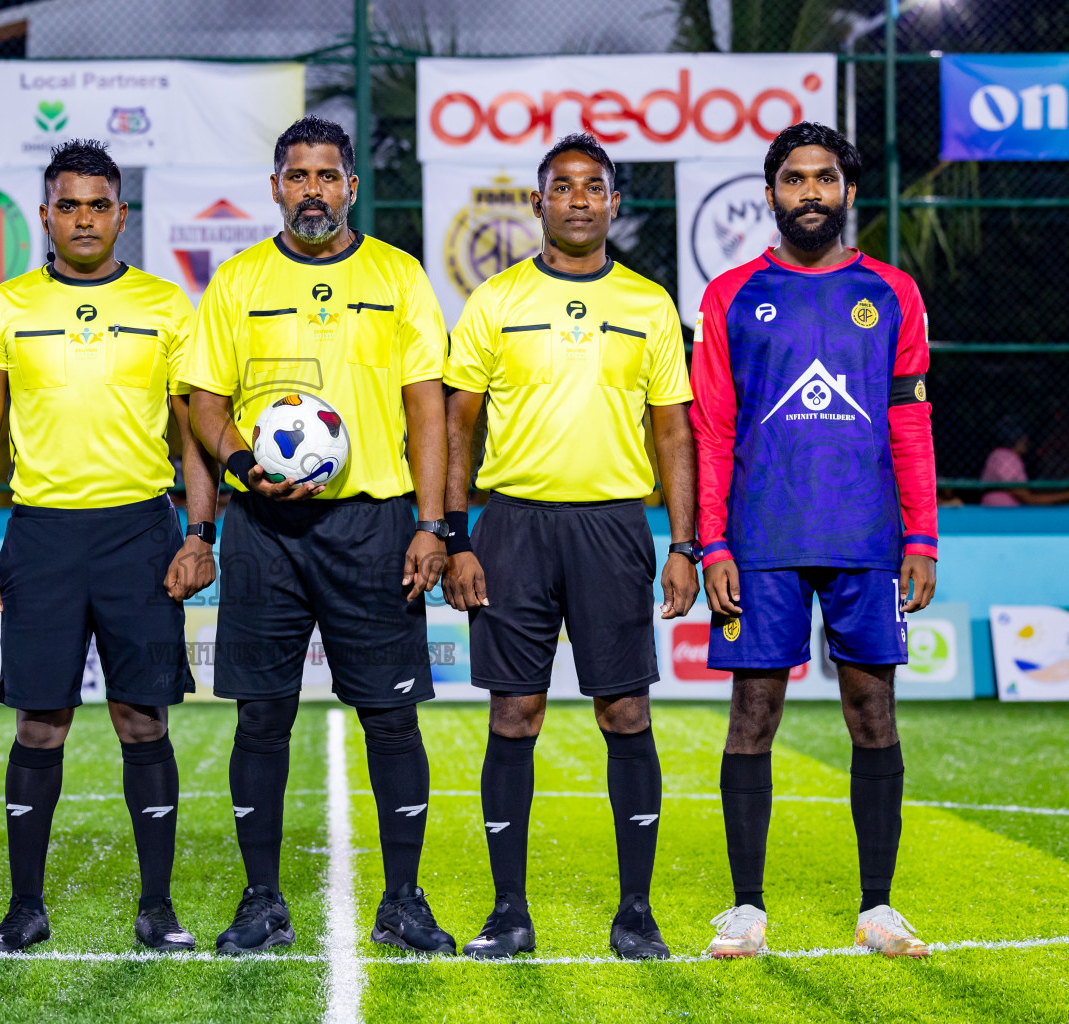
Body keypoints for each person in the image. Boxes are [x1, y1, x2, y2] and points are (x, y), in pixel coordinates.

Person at [183, 116, 455, 955]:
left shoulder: (399, 275)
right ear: (275, 187)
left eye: (326, 176)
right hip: (266, 526)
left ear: (350, 187)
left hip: (373, 526)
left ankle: (404, 901)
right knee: (261, 718)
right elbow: (203, 401)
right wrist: (238, 467)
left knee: (392, 720)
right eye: (296, 176)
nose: (312, 190)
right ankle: (261, 901)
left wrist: (434, 524)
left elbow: (427, 409)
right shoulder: (236, 280)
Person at [0, 140, 219, 954]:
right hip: (40, 536)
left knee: (143, 722)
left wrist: (199, 535)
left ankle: (157, 909)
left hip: (141, 533)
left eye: (98, 205)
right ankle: (25, 908)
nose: (83, 218)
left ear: (121, 215)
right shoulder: (6, 306)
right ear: (44, 214)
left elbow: (194, 438)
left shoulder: (168, 305)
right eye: (67, 204)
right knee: (41, 724)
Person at [441, 132, 700, 961]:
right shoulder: (494, 300)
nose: (580, 199)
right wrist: (455, 537)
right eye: (563, 186)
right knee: (514, 712)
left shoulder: (650, 305)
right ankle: (508, 913)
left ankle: (636, 913)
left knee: (624, 709)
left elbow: (674, 432)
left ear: (614, 203)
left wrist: (683, 543)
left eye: (595, 187)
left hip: (614, 526)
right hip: (511, 526)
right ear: (537, 203)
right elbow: (456, 425)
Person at [692, 122, 937, 958]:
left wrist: (924, 534)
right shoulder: (730, 295)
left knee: (873, 712)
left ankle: (878, 910)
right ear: (770, 195)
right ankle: (748, 911)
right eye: (793, 180)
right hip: (759, 537)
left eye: (824, 179)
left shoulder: (895, 294)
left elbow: (910, 419)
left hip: (868, 532)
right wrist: (711, 544)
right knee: (751, 714)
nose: (809, 194)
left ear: (848, 193)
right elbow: (714, 429)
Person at [980, 416, 1069, 506]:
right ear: (1020, 439)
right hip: (1004, 514)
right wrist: (1065, 496)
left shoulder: (1001, 455)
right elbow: (1028, 499)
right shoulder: (1005, 458)